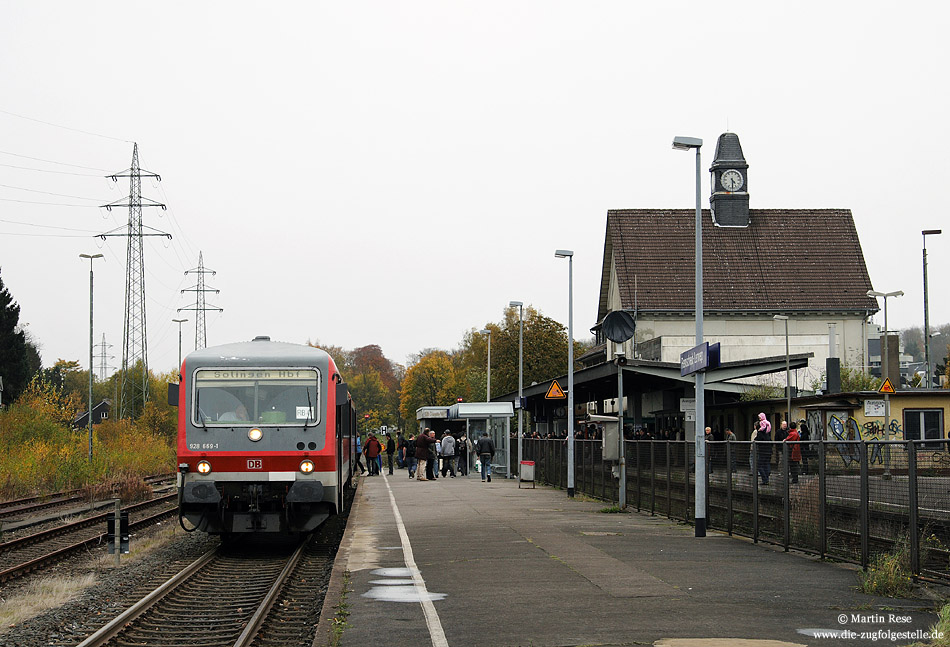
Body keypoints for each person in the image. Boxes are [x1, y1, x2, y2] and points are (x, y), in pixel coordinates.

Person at [755, 412, 773, 485]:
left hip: (763, 451)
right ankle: (767, 476)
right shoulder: (768, 432)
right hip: (768, 450)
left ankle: (765, 479)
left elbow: (758, 440)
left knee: (759, 465)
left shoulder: (760, 433)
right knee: (766, 464)